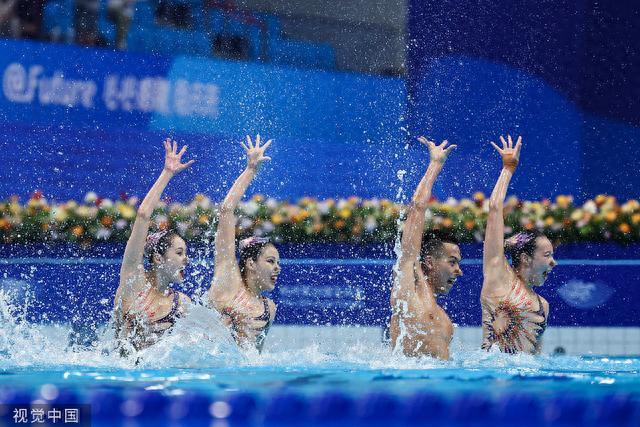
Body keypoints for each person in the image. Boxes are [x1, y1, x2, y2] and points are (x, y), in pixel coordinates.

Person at [114, 138, 195, 353]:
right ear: (158, 259)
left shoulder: (181, 304)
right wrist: (167, 174)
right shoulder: (133, 282)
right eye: (179, 253)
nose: (186, 259)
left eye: (185, 253)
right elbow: (142, 216)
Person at [481, 134, 556, 354]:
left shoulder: (543, 307)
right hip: (490, 378)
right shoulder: (498, 275)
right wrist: (508, 168)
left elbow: (535, 360)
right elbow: (495, 209)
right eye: (547, 255)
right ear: (525, 258)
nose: (553, 263)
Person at [389, 137, 462, 359]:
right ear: (429, 262)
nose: (459, 271)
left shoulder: (441, 316)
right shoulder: (409, 288)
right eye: (452, 262)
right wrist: (435, 165)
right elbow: (418, 208)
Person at [208, 135, 279, 352]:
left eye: (277, 262)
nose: (277, 267)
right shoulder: (228, 283)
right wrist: (250, 170)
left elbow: (255, 359)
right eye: (270, 261)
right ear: (250, 264)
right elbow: (226, 210)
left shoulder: (269, 308)